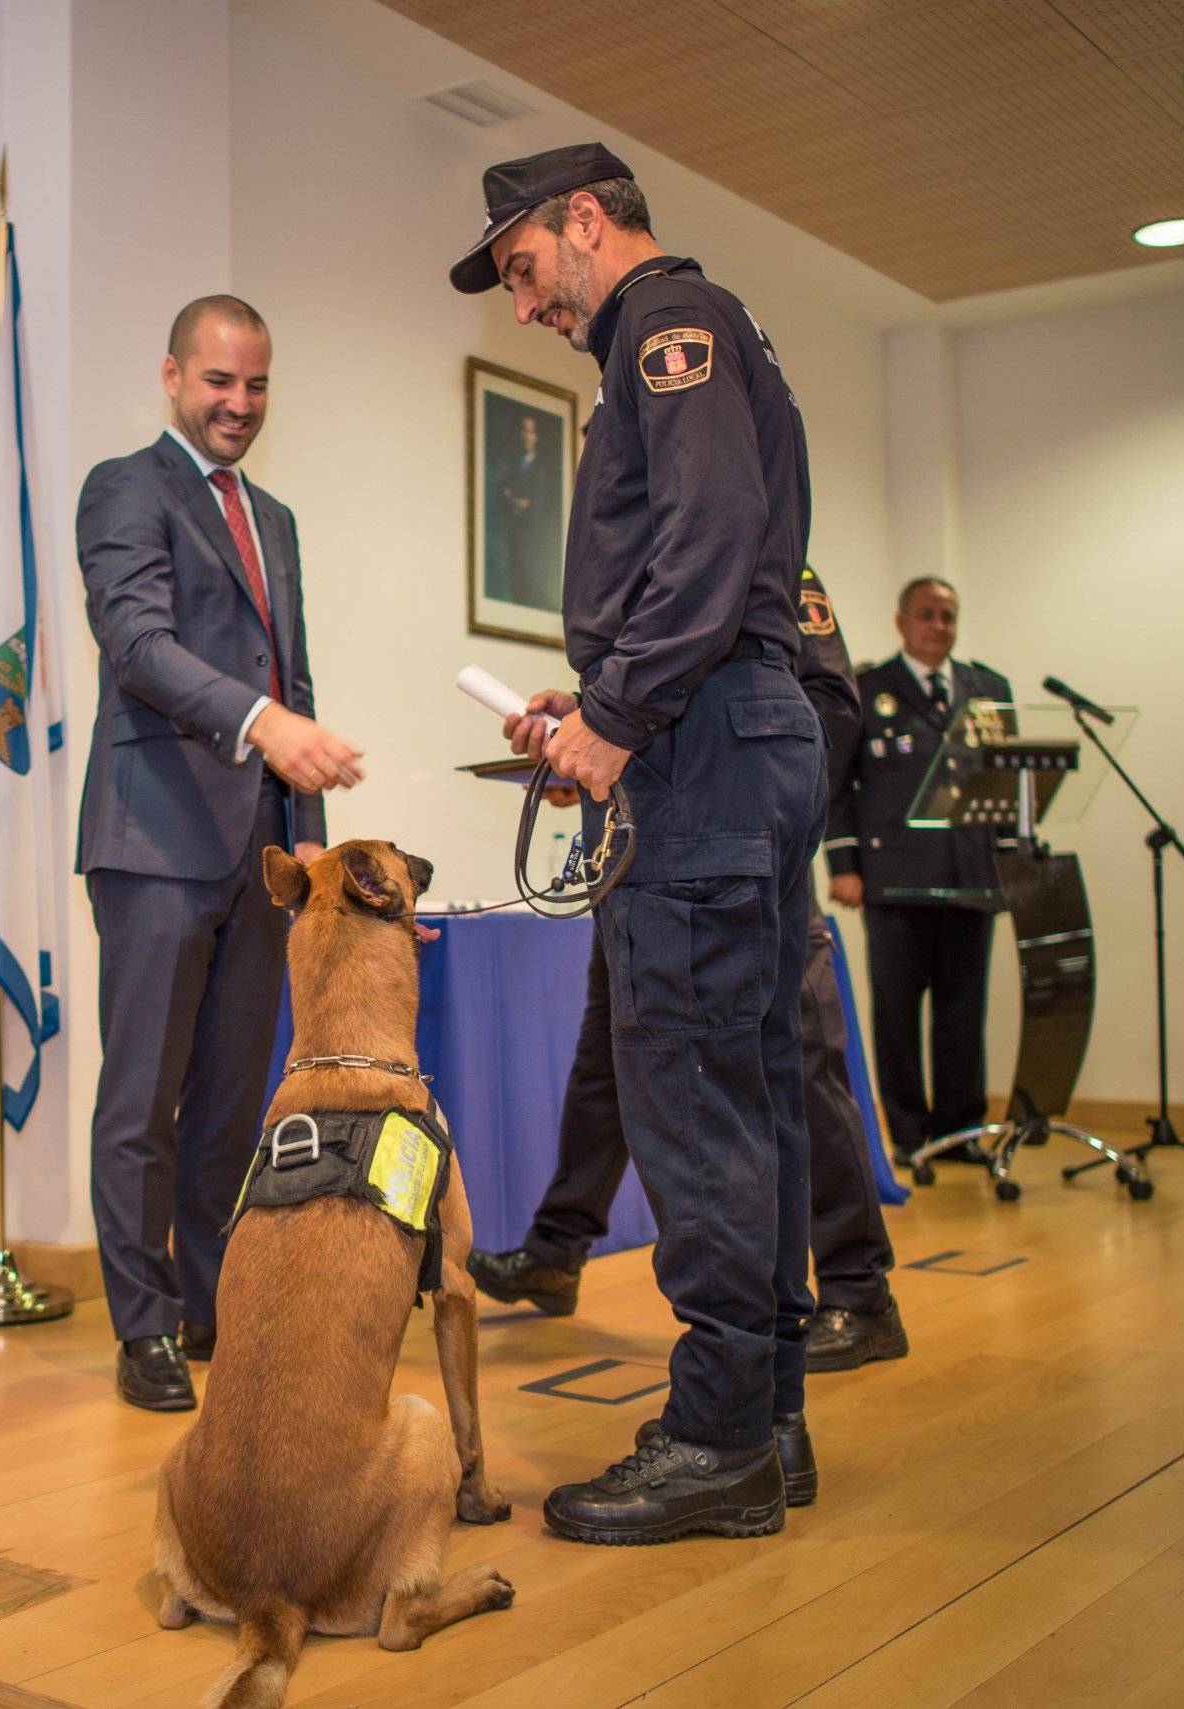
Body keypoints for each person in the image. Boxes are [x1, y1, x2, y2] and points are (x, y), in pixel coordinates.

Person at [455, 142, 824, 1545]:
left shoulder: (671, 327)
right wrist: (600, 700)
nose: (525, 301)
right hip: (734, 729)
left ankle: (721, 1434)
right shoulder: (695, 337)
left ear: (588, 221)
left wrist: (617, 709)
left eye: (527, 268)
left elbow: (713, 533)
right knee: (751, 1091)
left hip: (705, 749)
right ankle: (768, 1412)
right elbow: (706, 558)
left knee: (692, 1097)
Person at [467, 565, 909, 1372]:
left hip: (748, 852)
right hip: (644, 852)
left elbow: (830, 712)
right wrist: (589, 742)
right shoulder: (657, 565)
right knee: (613, 1055)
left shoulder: (760, 555)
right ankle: (559, 1250)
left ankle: (858, 1289)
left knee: (803, 1063)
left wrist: (694, 761)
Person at [76, 296, 365, 1412]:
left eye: (256, 385)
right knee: (142, 1098)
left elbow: (288, 680)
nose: (238, 404)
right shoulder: (123, 487)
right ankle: (141, 1324)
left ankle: (209, 1305)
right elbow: (138, 642)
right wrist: (262, 723)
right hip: (152, 836)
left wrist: (311, 860)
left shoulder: (275, 516)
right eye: (218, 383)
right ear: (170, 375)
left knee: (235, 1102)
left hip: (258, 851)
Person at [826, 576, 1013, 1164]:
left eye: (949, 616)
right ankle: (908, 1136)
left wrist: (1010, 861)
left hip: (969, 874)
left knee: (963, 1011)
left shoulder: (987, 689)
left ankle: (960, 1132)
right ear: (901, 622)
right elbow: (837, 786)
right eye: (928, 615)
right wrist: (844, 864)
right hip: (895, 879)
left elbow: (1006, 783)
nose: (940, 626)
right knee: (897, 1013)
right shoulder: (867, 688)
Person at [489, 409, 563, 609]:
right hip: (516, 538)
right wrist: (516, 501)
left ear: (536, 437)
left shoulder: (542, 469)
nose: (526, 435)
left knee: (530, 586)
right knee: (516, 583)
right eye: (523, 430)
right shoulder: (514, 465)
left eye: (530, 431)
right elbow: (501, 497)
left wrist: (514, 499)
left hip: (534, 540)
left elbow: (536, 505)